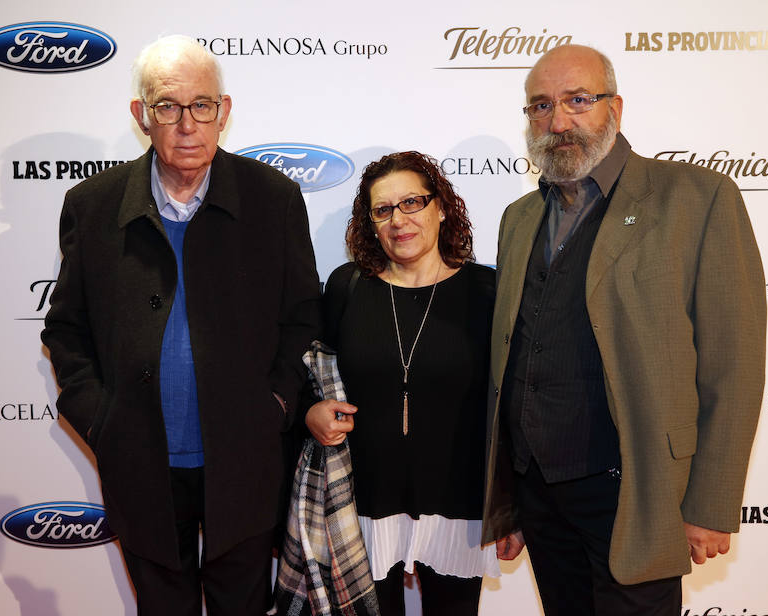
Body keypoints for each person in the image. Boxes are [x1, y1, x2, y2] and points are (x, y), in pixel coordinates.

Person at [481, 44, 767, 615]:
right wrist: (507, 501)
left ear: (615, 107)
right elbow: (514, 360)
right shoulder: (519, 218)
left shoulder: (697, 198)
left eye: (577, 100)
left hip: (636, 488)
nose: (558, 121)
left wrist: (709, 504)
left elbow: (733, 363)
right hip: (539, 490)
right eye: (540, 106)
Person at [41, 35, 321, 615]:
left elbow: (301, 318)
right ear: (142, 116)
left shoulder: (273, 199)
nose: (187, 124)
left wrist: (275, 403)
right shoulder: (92, 205)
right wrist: (101, 420)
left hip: (244, 461)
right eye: (168, 106)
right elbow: (66, 328)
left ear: (224, 111)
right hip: (140, 462)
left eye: (202, 106)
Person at [305, 151, 506, 615]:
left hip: (460, 502)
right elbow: (312, 377)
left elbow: (509, 405)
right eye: (383, 209)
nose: (399, 219)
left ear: (440, 207)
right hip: (366, 503)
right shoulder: (346, 287)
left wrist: (508, 510)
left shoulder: (487, 292)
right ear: (371, 223)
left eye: (412, 202)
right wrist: (309, 412)